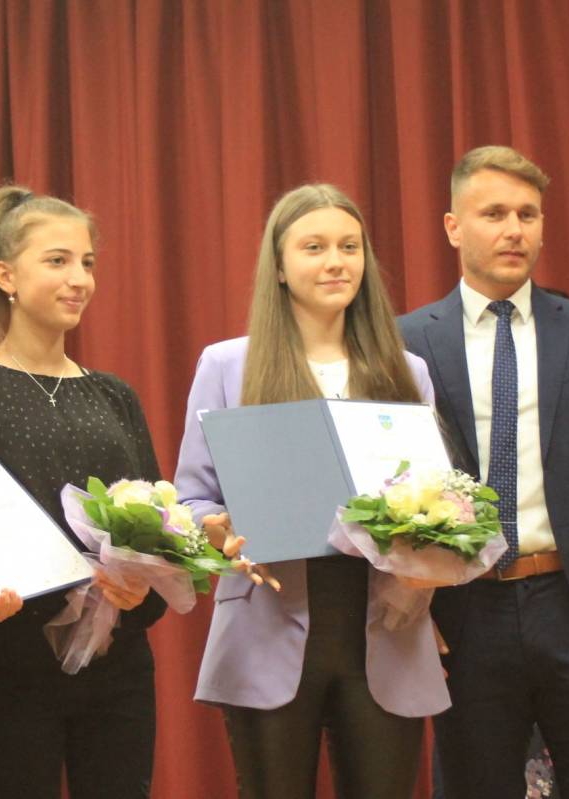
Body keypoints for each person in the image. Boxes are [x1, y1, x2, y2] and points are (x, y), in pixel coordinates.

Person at [399, 145, 569, 798]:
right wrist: (406, 601)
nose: (514, 229)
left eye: (528, 214)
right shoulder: (407, 341)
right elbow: (386, 481)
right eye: (494, 213)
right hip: (464, 613)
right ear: (453, 226)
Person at [174, 183, 450, 799]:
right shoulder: (227, 366)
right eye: (314, 247)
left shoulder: (408, 371)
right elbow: (190, 502)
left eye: (350, 247)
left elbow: (439, 500)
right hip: (267, 619)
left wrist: (433, 557)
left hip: (386, 624)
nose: (336, 262)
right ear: (279, 266)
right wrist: (218, 532)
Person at [0, 185, 167, 798]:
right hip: (15, 665)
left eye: (87, 262)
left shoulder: (115, 395)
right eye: (57, 261)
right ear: (6, 276)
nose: (79, 279)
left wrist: (142, 589)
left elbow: (160, 522)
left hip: (119, 665)